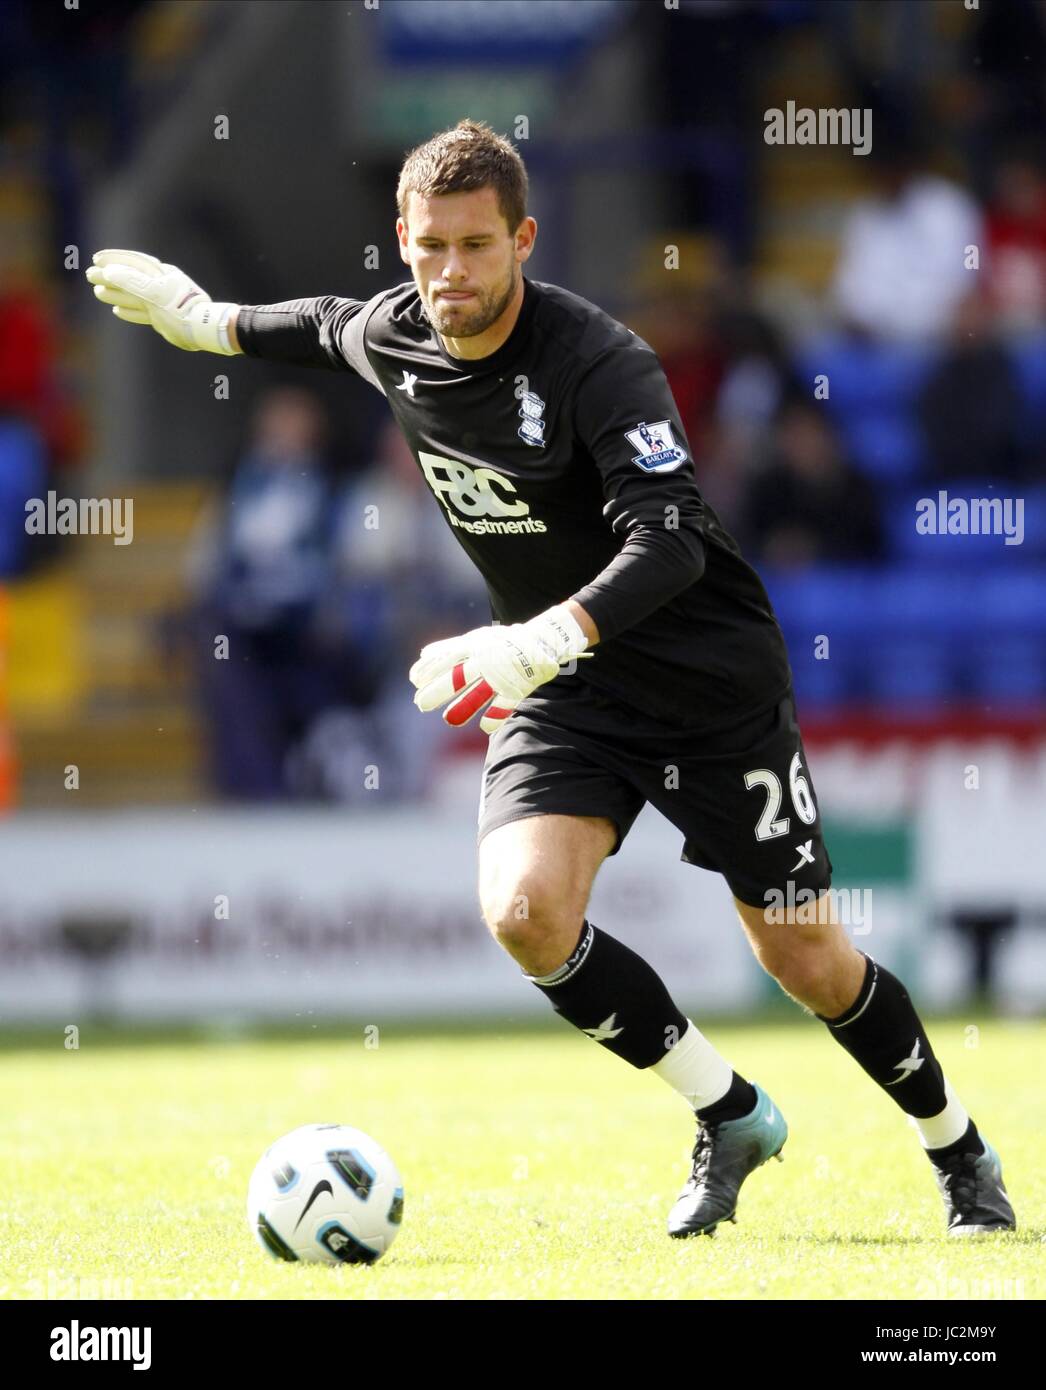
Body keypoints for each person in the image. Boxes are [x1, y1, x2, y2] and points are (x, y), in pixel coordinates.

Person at [85, 119, 1015, 1239]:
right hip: (567, 692)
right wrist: (204, 323)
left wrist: (538, 638)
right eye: (428, 247)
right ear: (402, 237)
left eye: (476, 246)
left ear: (522, 239)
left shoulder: (597, 361)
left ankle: (959, 1153)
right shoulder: (397, 332)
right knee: (524, 914)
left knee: (803, 956)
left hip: (702, 678)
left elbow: (668, 539)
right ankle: (726, 1114)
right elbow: (321, 325)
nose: (449, 274)